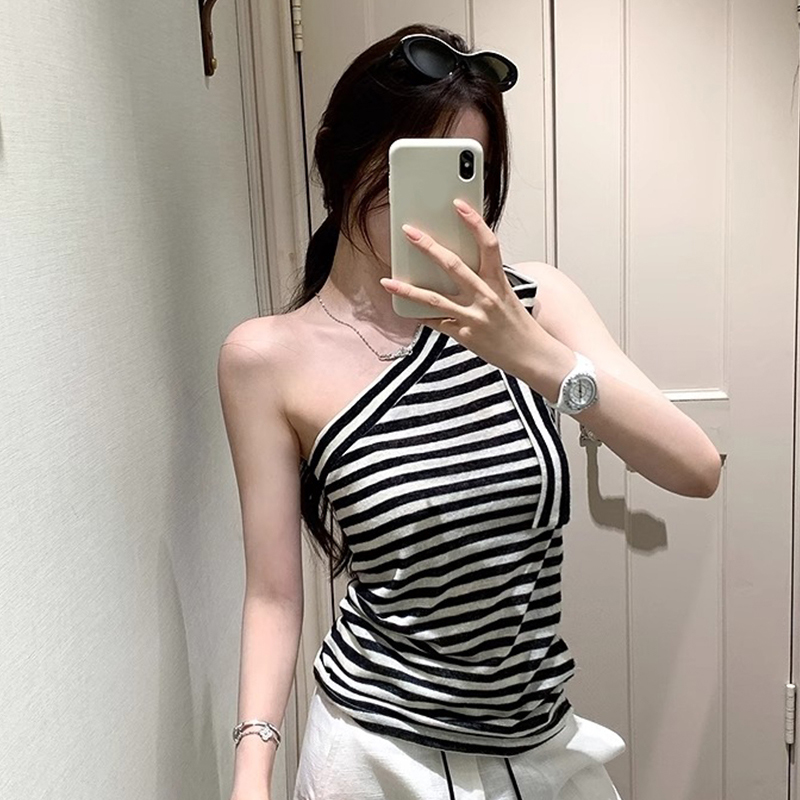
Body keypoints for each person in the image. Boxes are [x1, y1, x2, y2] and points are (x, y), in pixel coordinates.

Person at [218, 21, 722, 800]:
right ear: (340, 155)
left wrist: (536, 356)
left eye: (465, 169)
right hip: (374, 756)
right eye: (410, 164)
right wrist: (252, 771)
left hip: (539, 745)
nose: (439, 203)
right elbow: (274, 594)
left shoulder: (538, 303)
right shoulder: (266, 359)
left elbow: (694, 468)